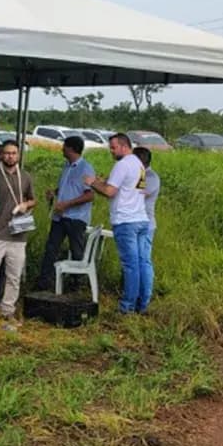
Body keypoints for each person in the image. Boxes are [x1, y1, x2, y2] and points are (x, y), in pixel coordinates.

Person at [84, 133, 152, 315]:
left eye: (113, 147)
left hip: (125, 220)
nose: (111, 151)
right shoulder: (139, 164)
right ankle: (143, 303)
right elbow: (132, 189)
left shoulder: (122, 165)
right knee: (142, 263)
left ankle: (127, 307)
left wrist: (92, 183)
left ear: (124, 146)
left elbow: (110, 192)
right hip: (141, 218)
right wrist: (102, 182)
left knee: (130, 265)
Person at [0, 140, 35, 323]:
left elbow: (33, 200)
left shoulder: (25, 177)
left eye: (14, 153)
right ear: (1, 155)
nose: (10, 156)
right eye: (7, 153)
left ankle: (7, 308)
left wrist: (26, 204)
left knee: (14, 275)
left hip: (19, 235)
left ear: (18, 155)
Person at [35, 135, 96, 290]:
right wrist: (54, 193)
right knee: (51, 249)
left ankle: (76, 285)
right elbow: (68, 188)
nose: (62, 149)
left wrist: (68, 204)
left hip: (76, 218)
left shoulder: (85, 168)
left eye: (64, 146)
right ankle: (44, 282)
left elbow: (89, 195)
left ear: (71, 148)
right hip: (60, 216)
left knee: (77, 252)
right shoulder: (66, 166)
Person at [133, 146, 160, 245]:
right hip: (134, 224)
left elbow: (138, 194)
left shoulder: (150, 176)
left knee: (142, 258)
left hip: (145, 226)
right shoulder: (139, 174)